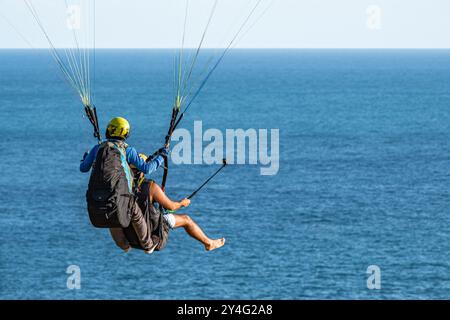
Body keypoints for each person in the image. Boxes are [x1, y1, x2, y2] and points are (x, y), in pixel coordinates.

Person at [80, 117, 168, 254]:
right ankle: (148, 244)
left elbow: (83, 168)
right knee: (133, 210)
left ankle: (124, 245)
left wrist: (87, 158)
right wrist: (162, 156)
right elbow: (147, 168)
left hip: (96, 201)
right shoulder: (127, 150)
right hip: (119, 199)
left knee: (113, 219)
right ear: (125, 134)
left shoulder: (97, 148)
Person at [122, 153, 226, 252]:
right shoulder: (151, 187)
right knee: (186, 220)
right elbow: (171, 206)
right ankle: (209, 244)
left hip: (131, 233)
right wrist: (182, 203)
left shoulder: (123, 186)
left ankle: (127, 244)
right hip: (152, 229)